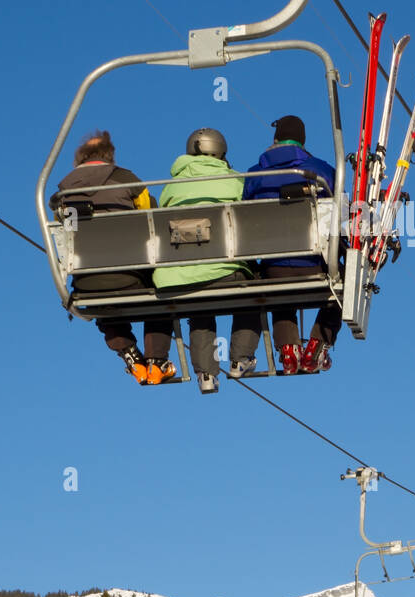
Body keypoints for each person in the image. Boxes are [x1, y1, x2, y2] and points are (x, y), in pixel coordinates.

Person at [49, 130, 175, 386]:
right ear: (109, 156)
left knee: (104, 304)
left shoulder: (62, 192)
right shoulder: (127, 180)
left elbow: (63, 233)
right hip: (129, 276)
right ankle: (156, 360)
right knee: (161, 294)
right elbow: (151, 214)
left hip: (86, 280)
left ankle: (129, 354)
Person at [145, 128, 257, 394]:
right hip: (225, 269)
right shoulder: (234, 181)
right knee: (253, 291)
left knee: (199, 303)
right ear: (221, 152)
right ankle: (241, 357)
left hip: (181, 273)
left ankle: (206, 372)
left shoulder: (171, 188)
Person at [238, 114, 342, 375]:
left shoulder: (254, 175)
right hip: (314, 264)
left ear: (275, 139)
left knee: (278, 283)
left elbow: (245, 218)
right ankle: (318, 343)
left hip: (274, 267)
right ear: (302, 141)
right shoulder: (322, 171)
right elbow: (337, 215)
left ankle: (288, 348)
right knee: (343, 283)